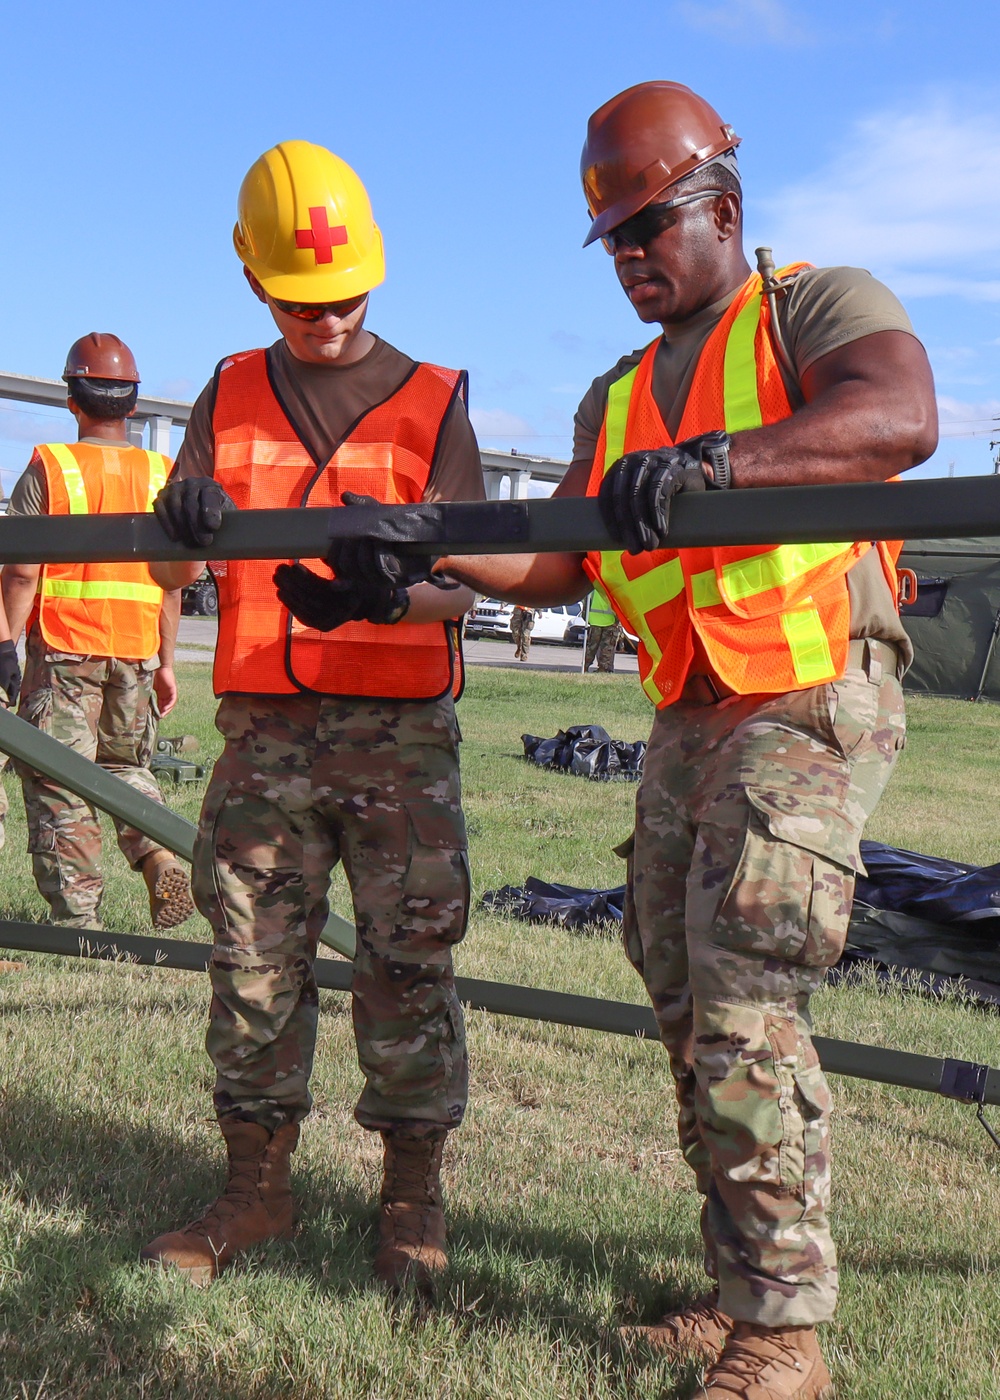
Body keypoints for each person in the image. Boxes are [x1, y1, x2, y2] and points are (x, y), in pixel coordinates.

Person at [427, 81, 936, 1397]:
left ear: (724, 202)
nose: (635, 257)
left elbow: (899, 417)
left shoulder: (809, 309)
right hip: (694, 706)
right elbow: (555, 556)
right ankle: (735, 1292)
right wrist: (427, 555)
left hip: (810, 693)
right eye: (617, 240)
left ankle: (784, 1335)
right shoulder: (615, 396)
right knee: (675, 979)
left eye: (652, 226)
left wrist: (720, 464)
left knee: (743, 993)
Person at [140, 140, 482, 1290]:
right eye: (301, 301)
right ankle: (257, 1188)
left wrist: (396, 588)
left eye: (345, 298)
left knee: (407, 965)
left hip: (399, 741)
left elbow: (480, 577)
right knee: (250, 965)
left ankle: (411, 1200)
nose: (328, 319)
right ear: (254, 279)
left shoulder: (434, 398)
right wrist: (174, 521)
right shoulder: (227, 391)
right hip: (265, 735)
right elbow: (161, 577)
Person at [1, 334, 192, 932]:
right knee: (124, 767)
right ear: (133, 404)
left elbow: (21, 571)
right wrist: (166, 661)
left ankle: (78, 922)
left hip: (63, 652)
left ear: (72, 399)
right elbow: (172, 583)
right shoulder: (165, 472)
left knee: (60, 778)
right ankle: (160, 853)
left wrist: (6, 644)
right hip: (136, 653)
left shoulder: (51, 467)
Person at [583, 585, 622, 672]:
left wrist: (587, 619)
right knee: (607, 647)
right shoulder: (611, 589)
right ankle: (603, 669)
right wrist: (617, 621)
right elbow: (617, 606)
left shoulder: (592, 589)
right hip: (609, 621)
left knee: (592, 647)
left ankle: (585, 666)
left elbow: (586, 605)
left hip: (594, 621)